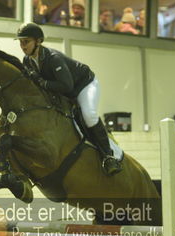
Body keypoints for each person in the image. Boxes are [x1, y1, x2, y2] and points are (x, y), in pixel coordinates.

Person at [15, 22, 122, 176]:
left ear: (38, 41)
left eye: (26, 42)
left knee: (89, 115)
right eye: (20, 42)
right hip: (66, 91)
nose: (22, 46)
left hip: (84, 85)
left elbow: (66, 86)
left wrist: (42, 82)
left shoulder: (53, 58)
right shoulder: (27, 61)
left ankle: (109, 156)